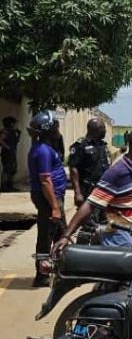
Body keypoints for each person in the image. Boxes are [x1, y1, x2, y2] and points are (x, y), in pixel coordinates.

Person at [27, 110, 69, 287]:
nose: (58, 129)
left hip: (52, 198)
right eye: (56, 126)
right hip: (49, 199)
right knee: (46, 236)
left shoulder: (46, 147)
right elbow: (45, 181)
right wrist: (55, 207)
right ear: (49, 129)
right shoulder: (43, 151)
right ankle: (41, 276)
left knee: (61, 235)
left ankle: (61, 271)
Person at [68, 117, 111, 207]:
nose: (105, 131)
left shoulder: (102, 145)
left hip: (102, 189)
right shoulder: (80, 145)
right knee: (86, 214)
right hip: (87, 190)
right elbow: (73, 168)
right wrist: (77, 192)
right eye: (102, 128)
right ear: (94, 130)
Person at [0, 116, 21, 191]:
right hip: (6, 154)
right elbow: (1, 140)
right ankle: (4, 187)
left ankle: (10, 186)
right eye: (13, 123)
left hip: (12, 153)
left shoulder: (12, 132)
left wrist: (19, 134)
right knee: (6, 170)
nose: (14, 124)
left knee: (12, 170)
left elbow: (16, 141)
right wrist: (8, 148)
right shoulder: (5, 131)